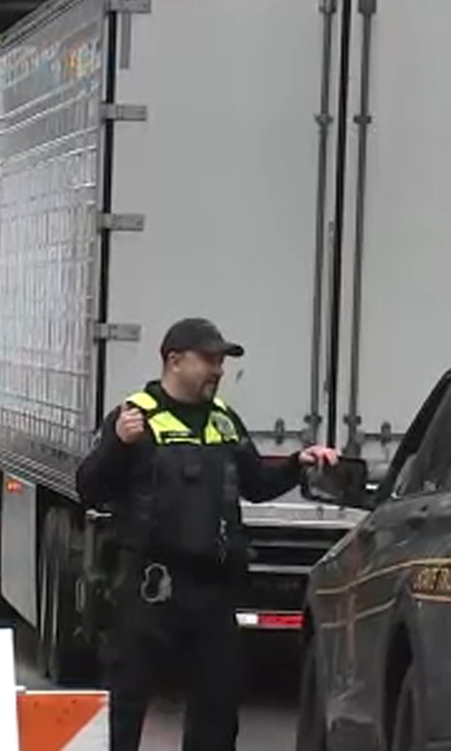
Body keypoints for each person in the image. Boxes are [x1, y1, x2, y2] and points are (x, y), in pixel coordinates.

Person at [76, 317, 340, 751]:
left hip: (212, 592)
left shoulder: (223, 421)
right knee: (126, 707)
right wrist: (116, 447)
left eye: (221, 361)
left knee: (217, 711)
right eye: (209, 360)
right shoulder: (135, 416)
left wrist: (298, 464)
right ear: (174, 361)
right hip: (149, 590)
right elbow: (88, 489)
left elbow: (256, 485)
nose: (217, 370)